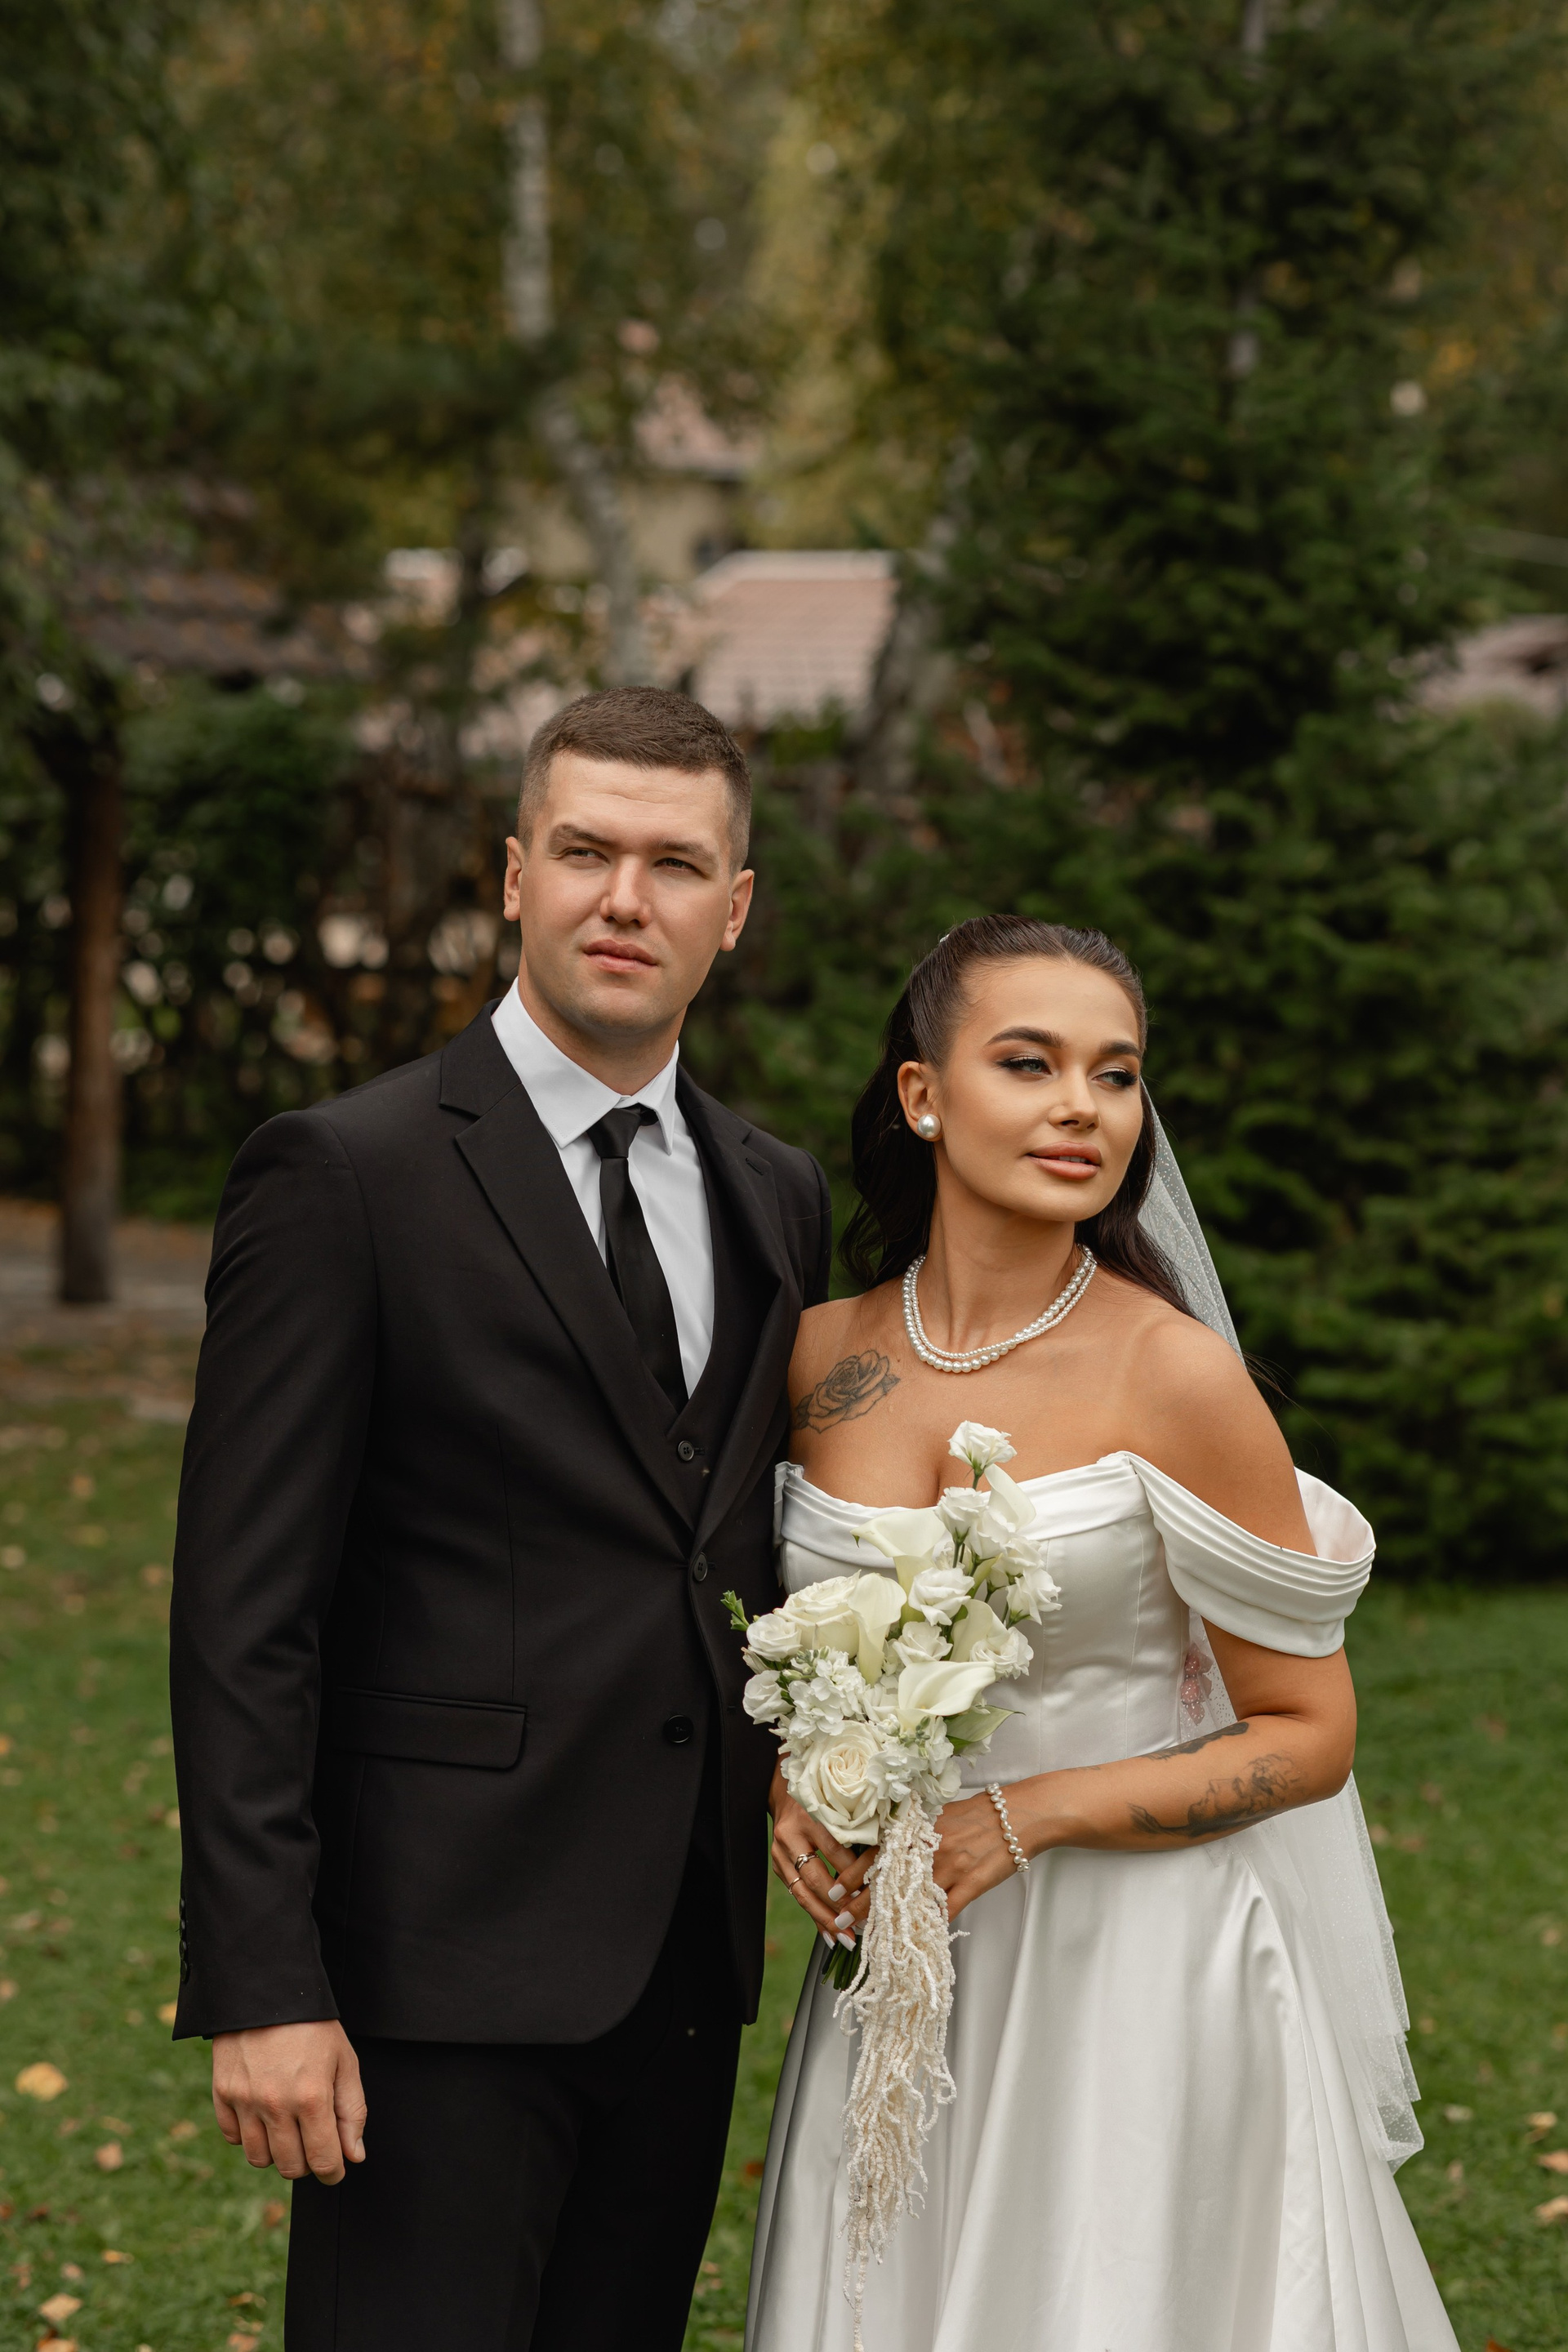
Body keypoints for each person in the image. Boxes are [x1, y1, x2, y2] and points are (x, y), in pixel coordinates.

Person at [168, 686, 833, 2352]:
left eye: (676, 865)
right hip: (430, 1965)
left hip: (682, 1966)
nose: (627, 899)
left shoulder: (775, 1194)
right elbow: (246, 1617)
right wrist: (263, 1981)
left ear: (734, 909)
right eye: (587, 852)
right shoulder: (347, 1173)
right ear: (517, 873)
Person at [751, 914, 1458, 2352]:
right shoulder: (819, 1359)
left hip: (1139, 1970)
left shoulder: (1175, 1374)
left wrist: (1028, 1817)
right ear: (923, 1095)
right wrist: (802, 1776)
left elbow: (1310, 1736)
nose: (1083, 1106)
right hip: (907, 1968)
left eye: (1117, 1074)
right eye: (1030, 1063)